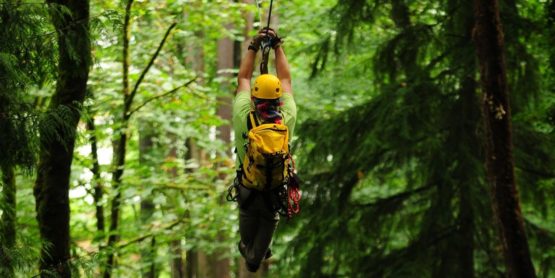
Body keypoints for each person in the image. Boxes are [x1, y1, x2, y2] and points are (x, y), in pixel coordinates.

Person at [232, 28, 297, 272]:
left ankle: (251, 251)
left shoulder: (243, 116)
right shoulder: (286, 118)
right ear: (278, 98)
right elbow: (286, 80)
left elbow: (243, 79)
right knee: (267, 225)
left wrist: (253, 46)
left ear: (254, 98)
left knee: (246, 238)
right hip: (274, 193)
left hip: (247, 189)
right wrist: (277, 46)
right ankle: (257, 254)